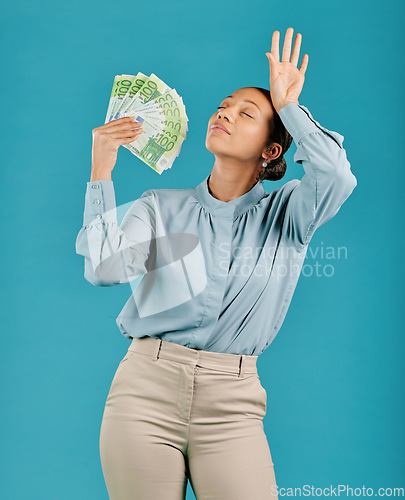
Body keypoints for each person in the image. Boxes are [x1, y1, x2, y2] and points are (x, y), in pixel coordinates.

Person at [75, 27, 357, 500]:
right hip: (145, 391)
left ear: (272, 151)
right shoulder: (158, 205)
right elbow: (103, 269)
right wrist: (101, 168)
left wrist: (289, 106)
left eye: (247, 113)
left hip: (234, 403)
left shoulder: (290, 214)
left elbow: (337, 174)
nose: (225, 112)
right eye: (224, 106)